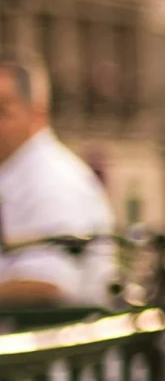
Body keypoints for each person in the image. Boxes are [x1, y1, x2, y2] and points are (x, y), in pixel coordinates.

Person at [0, 55, 116, 311]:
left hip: (60, 347)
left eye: (2, 111)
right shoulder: (17, 172)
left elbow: (47, 284)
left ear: (37, 114)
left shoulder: (51, 180)